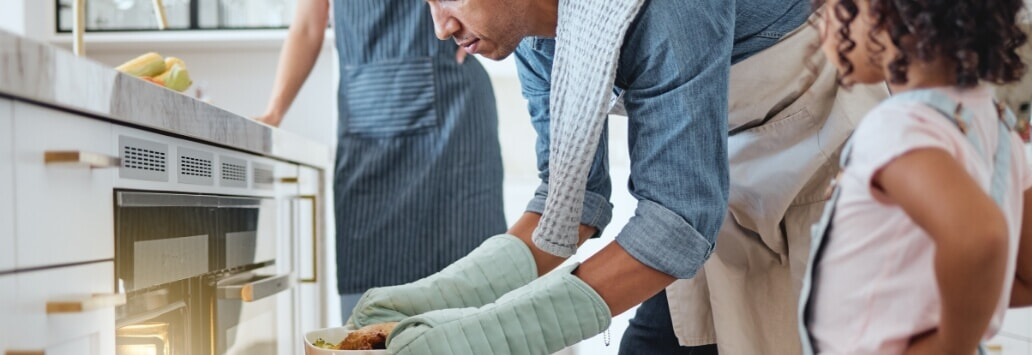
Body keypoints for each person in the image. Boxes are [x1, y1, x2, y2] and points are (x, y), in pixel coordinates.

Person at [341, 0, 882, 353]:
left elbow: (676, 224)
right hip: (714, 187)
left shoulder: (667, 9)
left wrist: (483, 339)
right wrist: (429, 299)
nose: (440, 27)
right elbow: (569, 206)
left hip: (820, 168)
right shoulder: (535, 39)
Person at [798, 0, 1032, 353]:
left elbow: (979, 235)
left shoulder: (895, 127)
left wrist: (947, 346)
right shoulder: (998, 128)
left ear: (886, 11)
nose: (821, 24)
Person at [256, 0, 509, 319]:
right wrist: (274, 111)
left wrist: (482, 24)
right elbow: (307, 26)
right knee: (369, 315)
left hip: (453, 121)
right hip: (367, 133)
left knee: (469, 298)